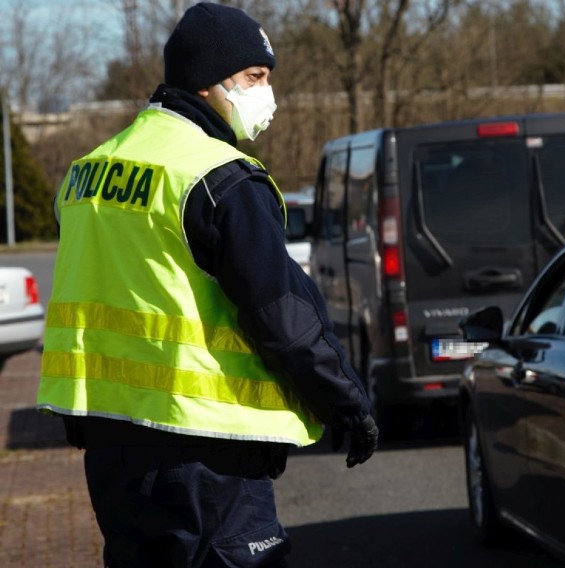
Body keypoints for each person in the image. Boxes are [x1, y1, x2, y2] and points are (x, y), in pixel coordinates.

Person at [35, 3, 378, 567]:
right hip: (208, 455)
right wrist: (348, 404)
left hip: (111, 451)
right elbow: (283, 316)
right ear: (208, 82)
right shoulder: (219, 177)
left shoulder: (85, 174)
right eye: (255, 78)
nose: (266, 94)